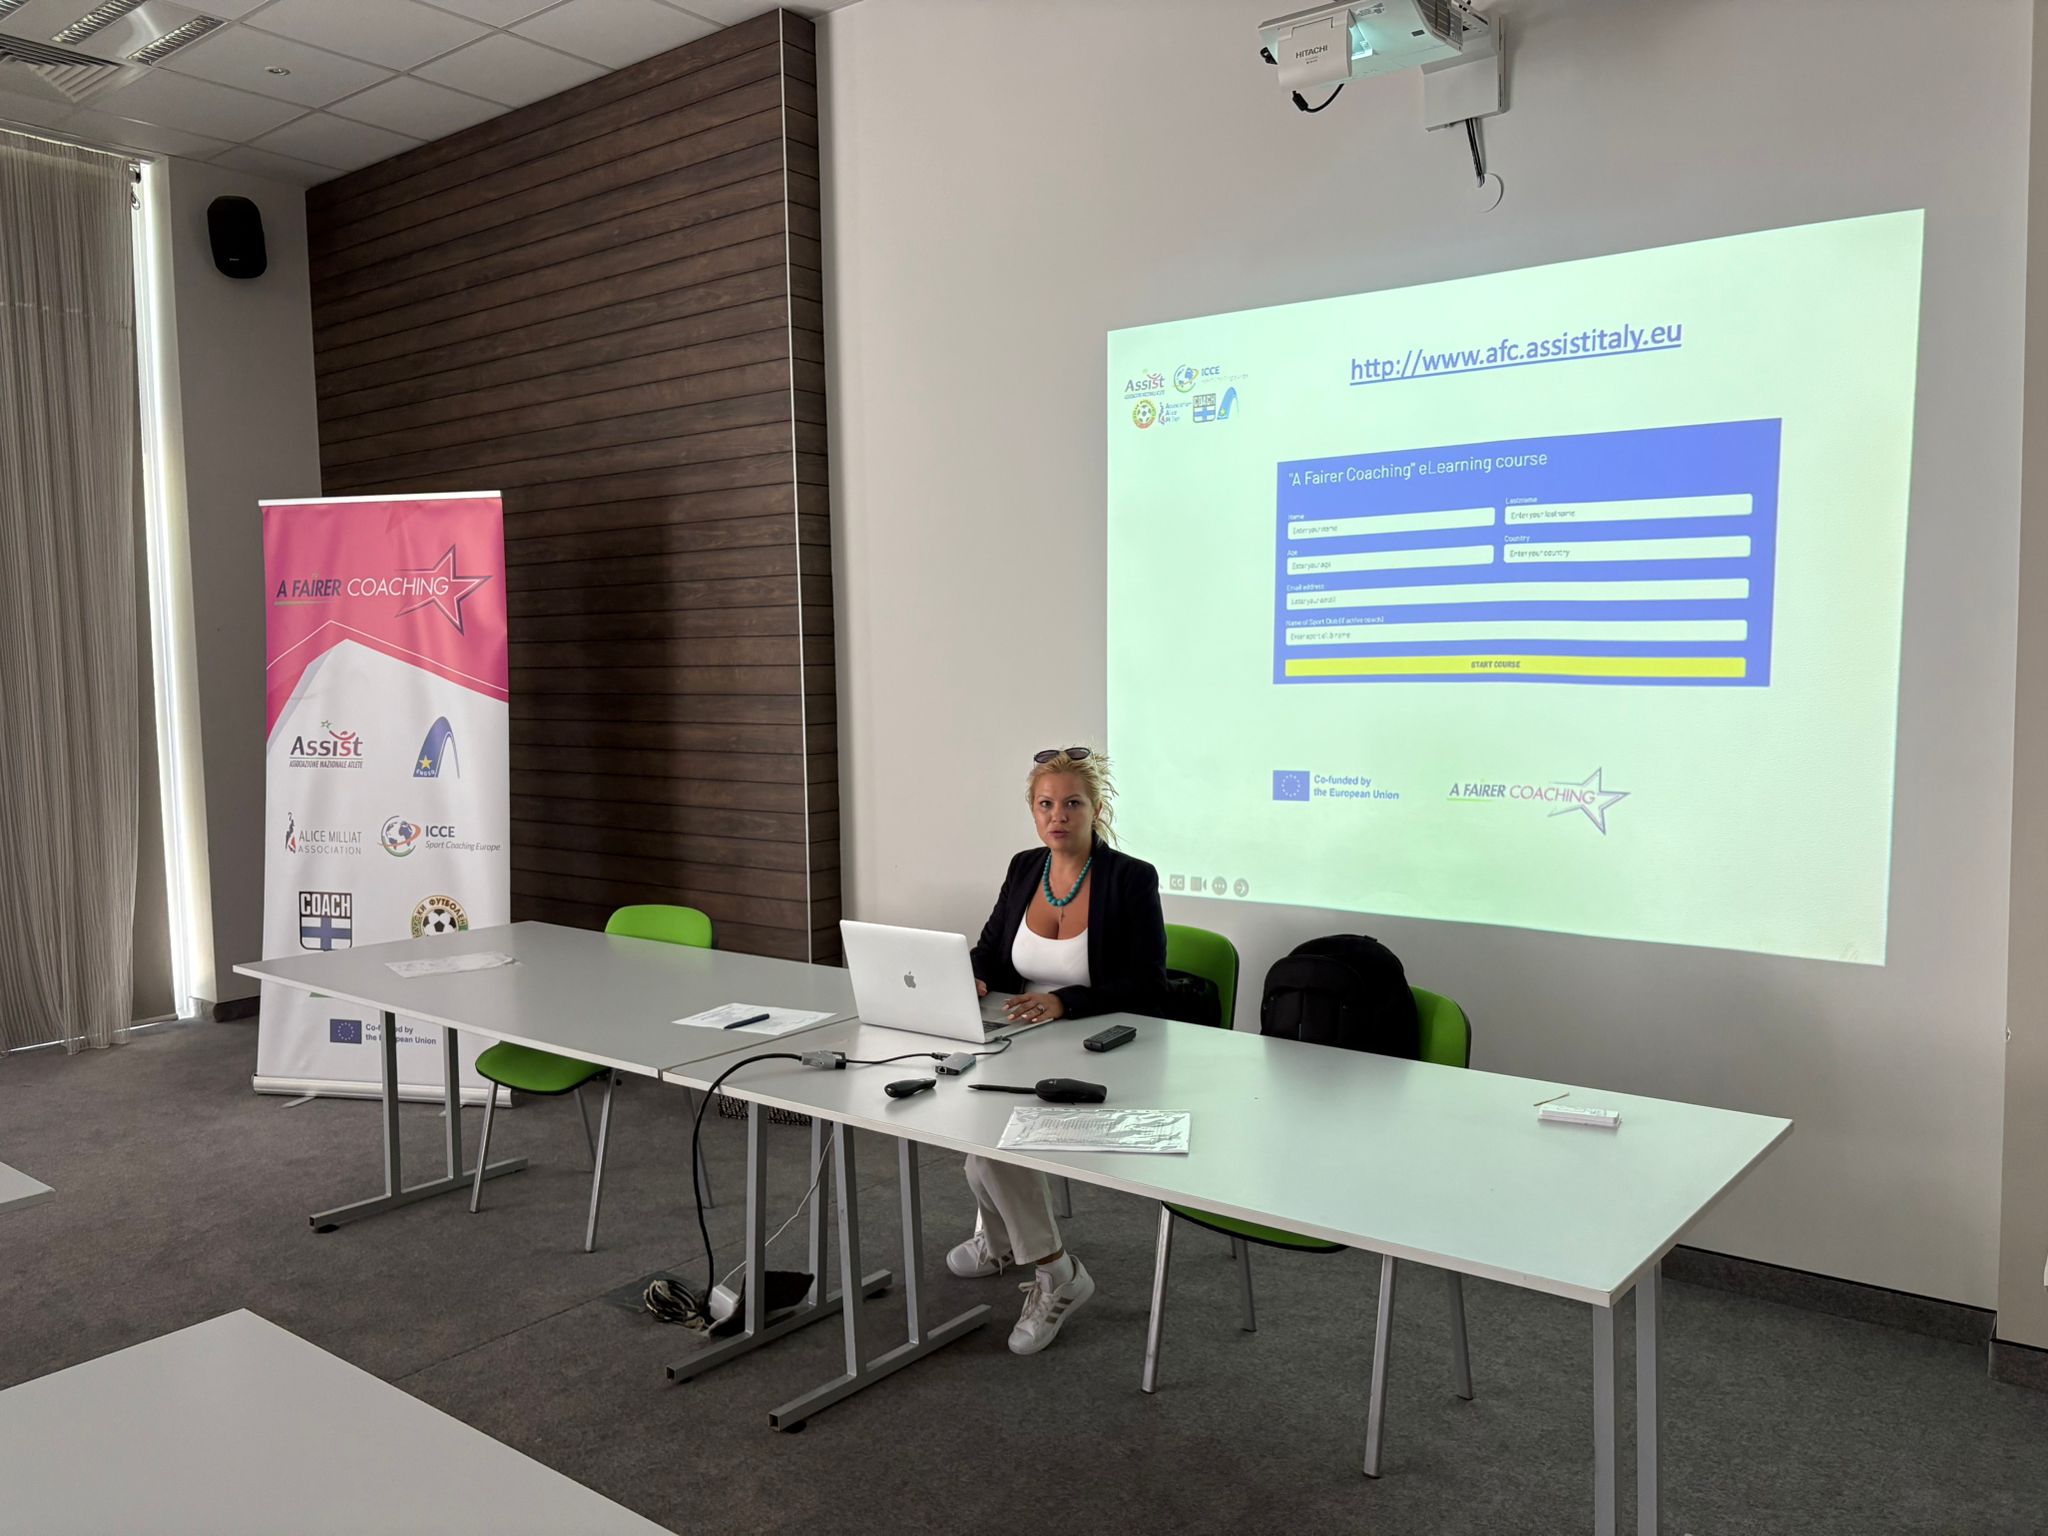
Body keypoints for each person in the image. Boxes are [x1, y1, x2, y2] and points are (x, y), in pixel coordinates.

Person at [947, 746, 1167, 1354]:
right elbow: (992, 950)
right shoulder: (1025, 868)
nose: (1058, 816)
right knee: (968, 1131)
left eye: (1072, 803)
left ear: (1096, 810)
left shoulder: (1130, 878)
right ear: (1033, 810)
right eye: (1045, 804)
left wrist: (1064, 1002)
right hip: (1021, 1037)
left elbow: (1149, 984)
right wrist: (972, 977)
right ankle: (1002, 1242)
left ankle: (1057, 1273)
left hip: (1100, 1045)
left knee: (993, 1149)